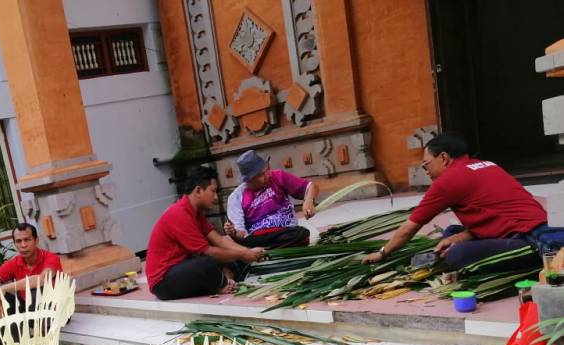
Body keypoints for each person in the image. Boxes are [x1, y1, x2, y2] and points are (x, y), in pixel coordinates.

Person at [363, 133, 561, 270]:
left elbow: (410, 228)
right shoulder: (487, 164)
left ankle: (538, 259)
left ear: (444, 157)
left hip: (532, 240)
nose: (426, 171)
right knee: (451, 233)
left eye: (426, 165)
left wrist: (382, 253)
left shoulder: (448, 180)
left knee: (457, 256)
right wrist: (455, 238)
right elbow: (491, 214)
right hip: (532, 225)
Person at [146, 165, 264, 301]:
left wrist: (247, 252)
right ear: (198, 191)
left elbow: (219, 240)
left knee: (230, 258)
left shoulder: (196, 213)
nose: (216, 197)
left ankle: (223, 281)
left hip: (182, 268)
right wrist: (243, 255)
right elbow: (206, 252)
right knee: (206, 262)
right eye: (213, 191)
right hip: (162, 282)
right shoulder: (179, 213)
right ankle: (222, 282)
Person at [224, 150, 317, 249]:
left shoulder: (277, 176)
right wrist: (233, 233)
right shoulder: (236, 197)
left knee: (302, 233)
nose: (267, 175)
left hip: (285, 231)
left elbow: (311, 187)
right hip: (259, 238)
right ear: (248, 179)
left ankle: (267, 250)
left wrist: (309, 200)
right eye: (261, 174)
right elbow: (242, 235)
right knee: (242, 244)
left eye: (267, 169)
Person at [0, 222, 62, 318]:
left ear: (36, 240)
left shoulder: (51, 258)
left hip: (55, 311)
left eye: (27, 240)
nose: (23, 245)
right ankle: (0, 328)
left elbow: (42, 279)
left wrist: (4, 288)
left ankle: (42, 326)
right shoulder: (15, 262)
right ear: (14, 244)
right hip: (28, 310)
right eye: (18, 241)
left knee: (35, 291)